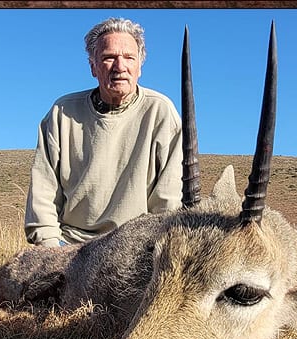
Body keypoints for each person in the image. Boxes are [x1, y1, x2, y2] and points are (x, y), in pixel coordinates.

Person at [24, 17, 183, 247]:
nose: (120, 67)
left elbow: (168, 204)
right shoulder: (62, 112)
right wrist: (51, 249)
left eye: (129, 57)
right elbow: (43, 196)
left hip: (134, 246)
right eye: (109, 58)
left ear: (140, 66)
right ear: (93, 67)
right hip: (70, 246)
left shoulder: (161, 112)